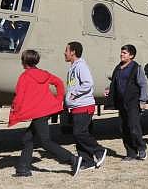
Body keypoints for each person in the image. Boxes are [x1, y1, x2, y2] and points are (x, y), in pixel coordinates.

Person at [9, 49, 81, 178]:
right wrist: (58, 100)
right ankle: (23, 169)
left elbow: (19, 97)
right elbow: (59, 83)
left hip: (39, 113)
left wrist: (15, 112)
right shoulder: (44, 74)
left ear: (24, 62)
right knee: (27, 138)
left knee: (45, 142)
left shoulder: (24, 76)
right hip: (46, 110)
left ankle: (72, 159)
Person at [64, 41, 107, 170]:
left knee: (79, 133)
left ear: (73, 52)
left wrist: (74, 94)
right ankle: (87, 161)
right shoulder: (73, 67)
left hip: (84, 106)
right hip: (76, 107)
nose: (64, 53)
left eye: (66, 50)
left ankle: (99, 150)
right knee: (78, 135)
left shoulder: (81, 66)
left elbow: (88, 83)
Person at [106, 44, 148, 161]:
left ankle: (141, 148)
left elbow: (143, 84)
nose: (121, 54)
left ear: (131, 55)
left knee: (133, 126)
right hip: (122, 103)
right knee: (123, 128)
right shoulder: (118, 68)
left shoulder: (136, 68)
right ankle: (130, 153)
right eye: (121, 52)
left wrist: (143, 100)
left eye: (124, 53)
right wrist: (109, 91)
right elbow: (114, 82)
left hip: (133, 102)